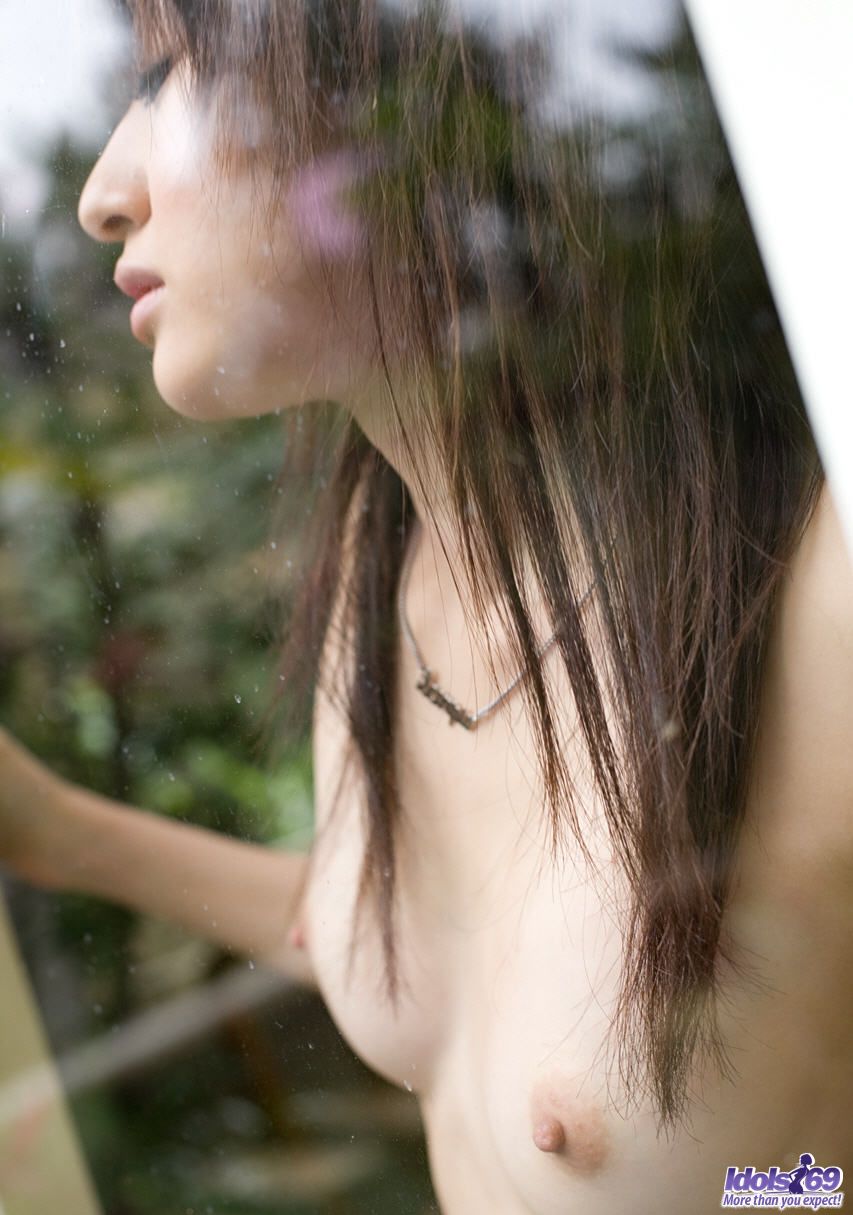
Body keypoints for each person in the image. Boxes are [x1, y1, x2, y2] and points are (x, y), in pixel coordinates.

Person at [1, 0, 851, 1210]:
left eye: (167, 77)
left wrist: (786, 1193)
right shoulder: (383, 575)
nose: (100, 195)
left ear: (384, 117)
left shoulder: (810, 602)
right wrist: (57, 834)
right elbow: (419, 941)